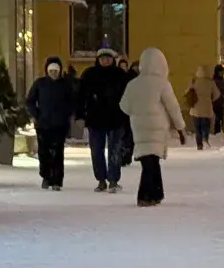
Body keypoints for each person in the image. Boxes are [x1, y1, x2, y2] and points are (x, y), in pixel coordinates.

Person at [120, 47, 187, 208]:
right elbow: (173, 107)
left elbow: (124, 107)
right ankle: (146, 196)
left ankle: (156, 193)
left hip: (139, 129)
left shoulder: (132, 84)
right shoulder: (163, 84)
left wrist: (138, 111)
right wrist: (181, 128)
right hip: (157, 129)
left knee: (148, 162)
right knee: (152, 163)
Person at [77, 48, 130, 193]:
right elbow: (80, 96)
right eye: (102, 58)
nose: (105, 61)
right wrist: (80, 114)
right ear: (98, 60)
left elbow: (128, 96)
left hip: (116, 119)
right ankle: (101, 180)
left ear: (113, 60)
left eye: (108, 58)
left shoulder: (120, 75)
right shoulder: (89, 74)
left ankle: (113, 180)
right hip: (95, 119)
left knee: (115, 151)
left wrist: (127, 114)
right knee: (96, 151)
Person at [25, 57, 76, 191]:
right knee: (44, 152)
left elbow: (72, 101)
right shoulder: (40, 84)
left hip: (60, 124)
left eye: (56, 71)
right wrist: (36, 114)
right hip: (43, 123)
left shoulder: (65, 85)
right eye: (51, 71)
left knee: (58, 152)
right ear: (47, 71)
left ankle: (57, 180)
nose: (53, 73)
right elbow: (30, 101)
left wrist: (67, 114)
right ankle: (46, 176)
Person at [186, 66, 220, 151]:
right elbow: (217, 94)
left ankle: (199, 145)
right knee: (205, 126)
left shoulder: (194, 81)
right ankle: (205, 138)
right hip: (207, 108)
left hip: (196, 109)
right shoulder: (211, 82)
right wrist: (210, 99)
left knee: (197, 128)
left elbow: (187, 92)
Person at [212, 64, 224, 134]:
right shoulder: (214, 81)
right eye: (220, 72)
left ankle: (217, 132)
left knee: (219, 119)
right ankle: (216, 132)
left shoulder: (222, 80)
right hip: (215, 102)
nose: (222, 73)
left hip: (220, 102)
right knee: (216, 119)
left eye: (222, 72)